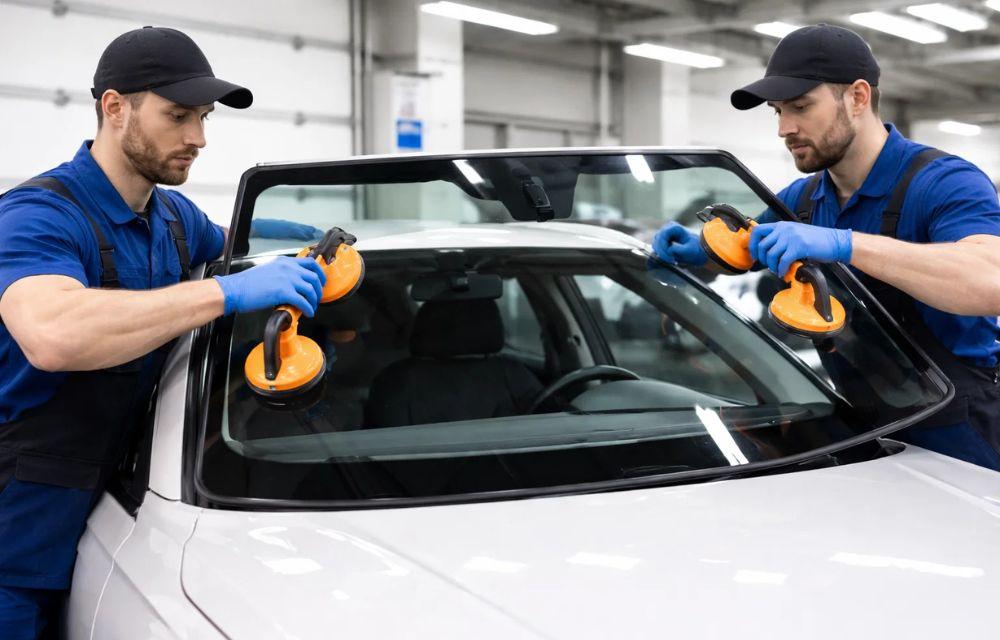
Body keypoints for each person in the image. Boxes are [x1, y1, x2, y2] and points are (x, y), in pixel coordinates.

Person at [0, 27, 329, 637]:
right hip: (16, 543)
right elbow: (53, 334)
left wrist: (320, 239)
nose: (198, 138)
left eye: (203, 118)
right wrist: (225, 294)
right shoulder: (37, 217)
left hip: (129, 518)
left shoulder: (172, 217)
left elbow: (236, 241)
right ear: (115, 107)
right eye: (177, 116)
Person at [652, 24, 1000, 470]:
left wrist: (843, 243)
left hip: (957, 426)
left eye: (800, 107)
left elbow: (989, 281)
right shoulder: (802, 199)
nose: (784, 128)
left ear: (857, 97)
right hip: (864, 421)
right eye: (777, 111)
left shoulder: (944, 182)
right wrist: (699, 251)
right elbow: (750, 244)